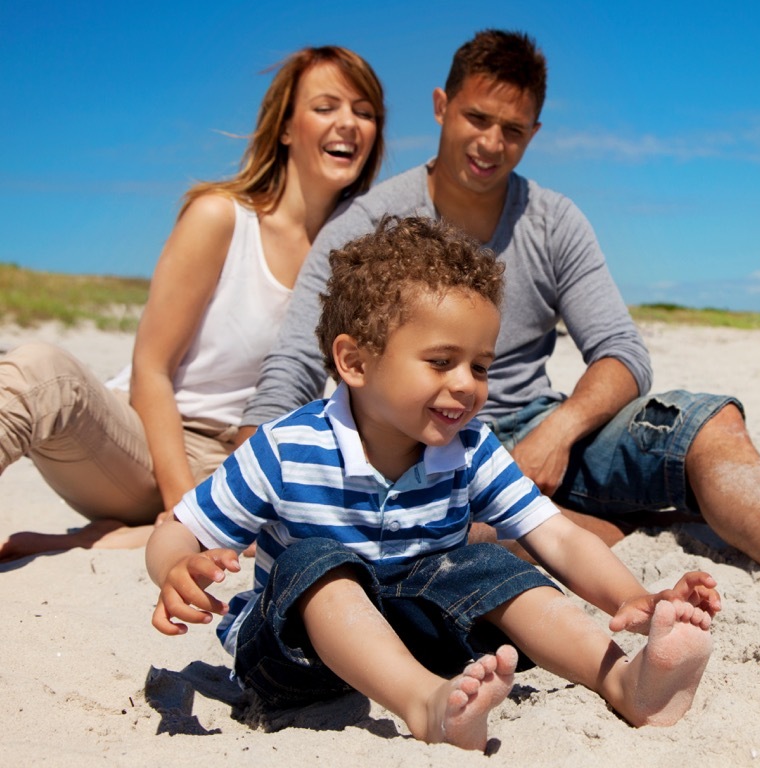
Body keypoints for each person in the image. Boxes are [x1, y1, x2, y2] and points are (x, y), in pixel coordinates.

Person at [240, 29, 760, 609]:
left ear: (534, 132)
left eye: (512, 130)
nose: (491, 143)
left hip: (537, 424)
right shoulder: (370, 221)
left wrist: (558, 432)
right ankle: (588, 527)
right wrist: (250, 485)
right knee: (454, 532)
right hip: (418, 445)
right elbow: (298, 360)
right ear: (442, 107)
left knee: (711, 424)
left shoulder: (554, 220)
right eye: (477, 119)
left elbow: (623, 351)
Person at [146, 216, 719, 751]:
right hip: (293, 658)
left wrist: (631, 598)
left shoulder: (470, 448)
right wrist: (175, 569)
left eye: (480, 366)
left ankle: (625, 681)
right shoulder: (286, 449)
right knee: (316, 562)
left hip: (423, 640)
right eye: (441, 361)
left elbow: (559, 538)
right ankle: (426, 707)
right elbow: (179, 530)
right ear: (355, 362)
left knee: (492, 562)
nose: (468, 385)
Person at [0, 45, 386, 562]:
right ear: (287, 128)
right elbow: (151, 368)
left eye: (365, 113)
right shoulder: (222, 217)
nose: (349, 124)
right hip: (141, 446)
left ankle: (104, 539)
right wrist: (184, 504)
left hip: (242, 465)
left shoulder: (358, 260)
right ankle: (142, 523)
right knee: (39, 371)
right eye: (326, 107)